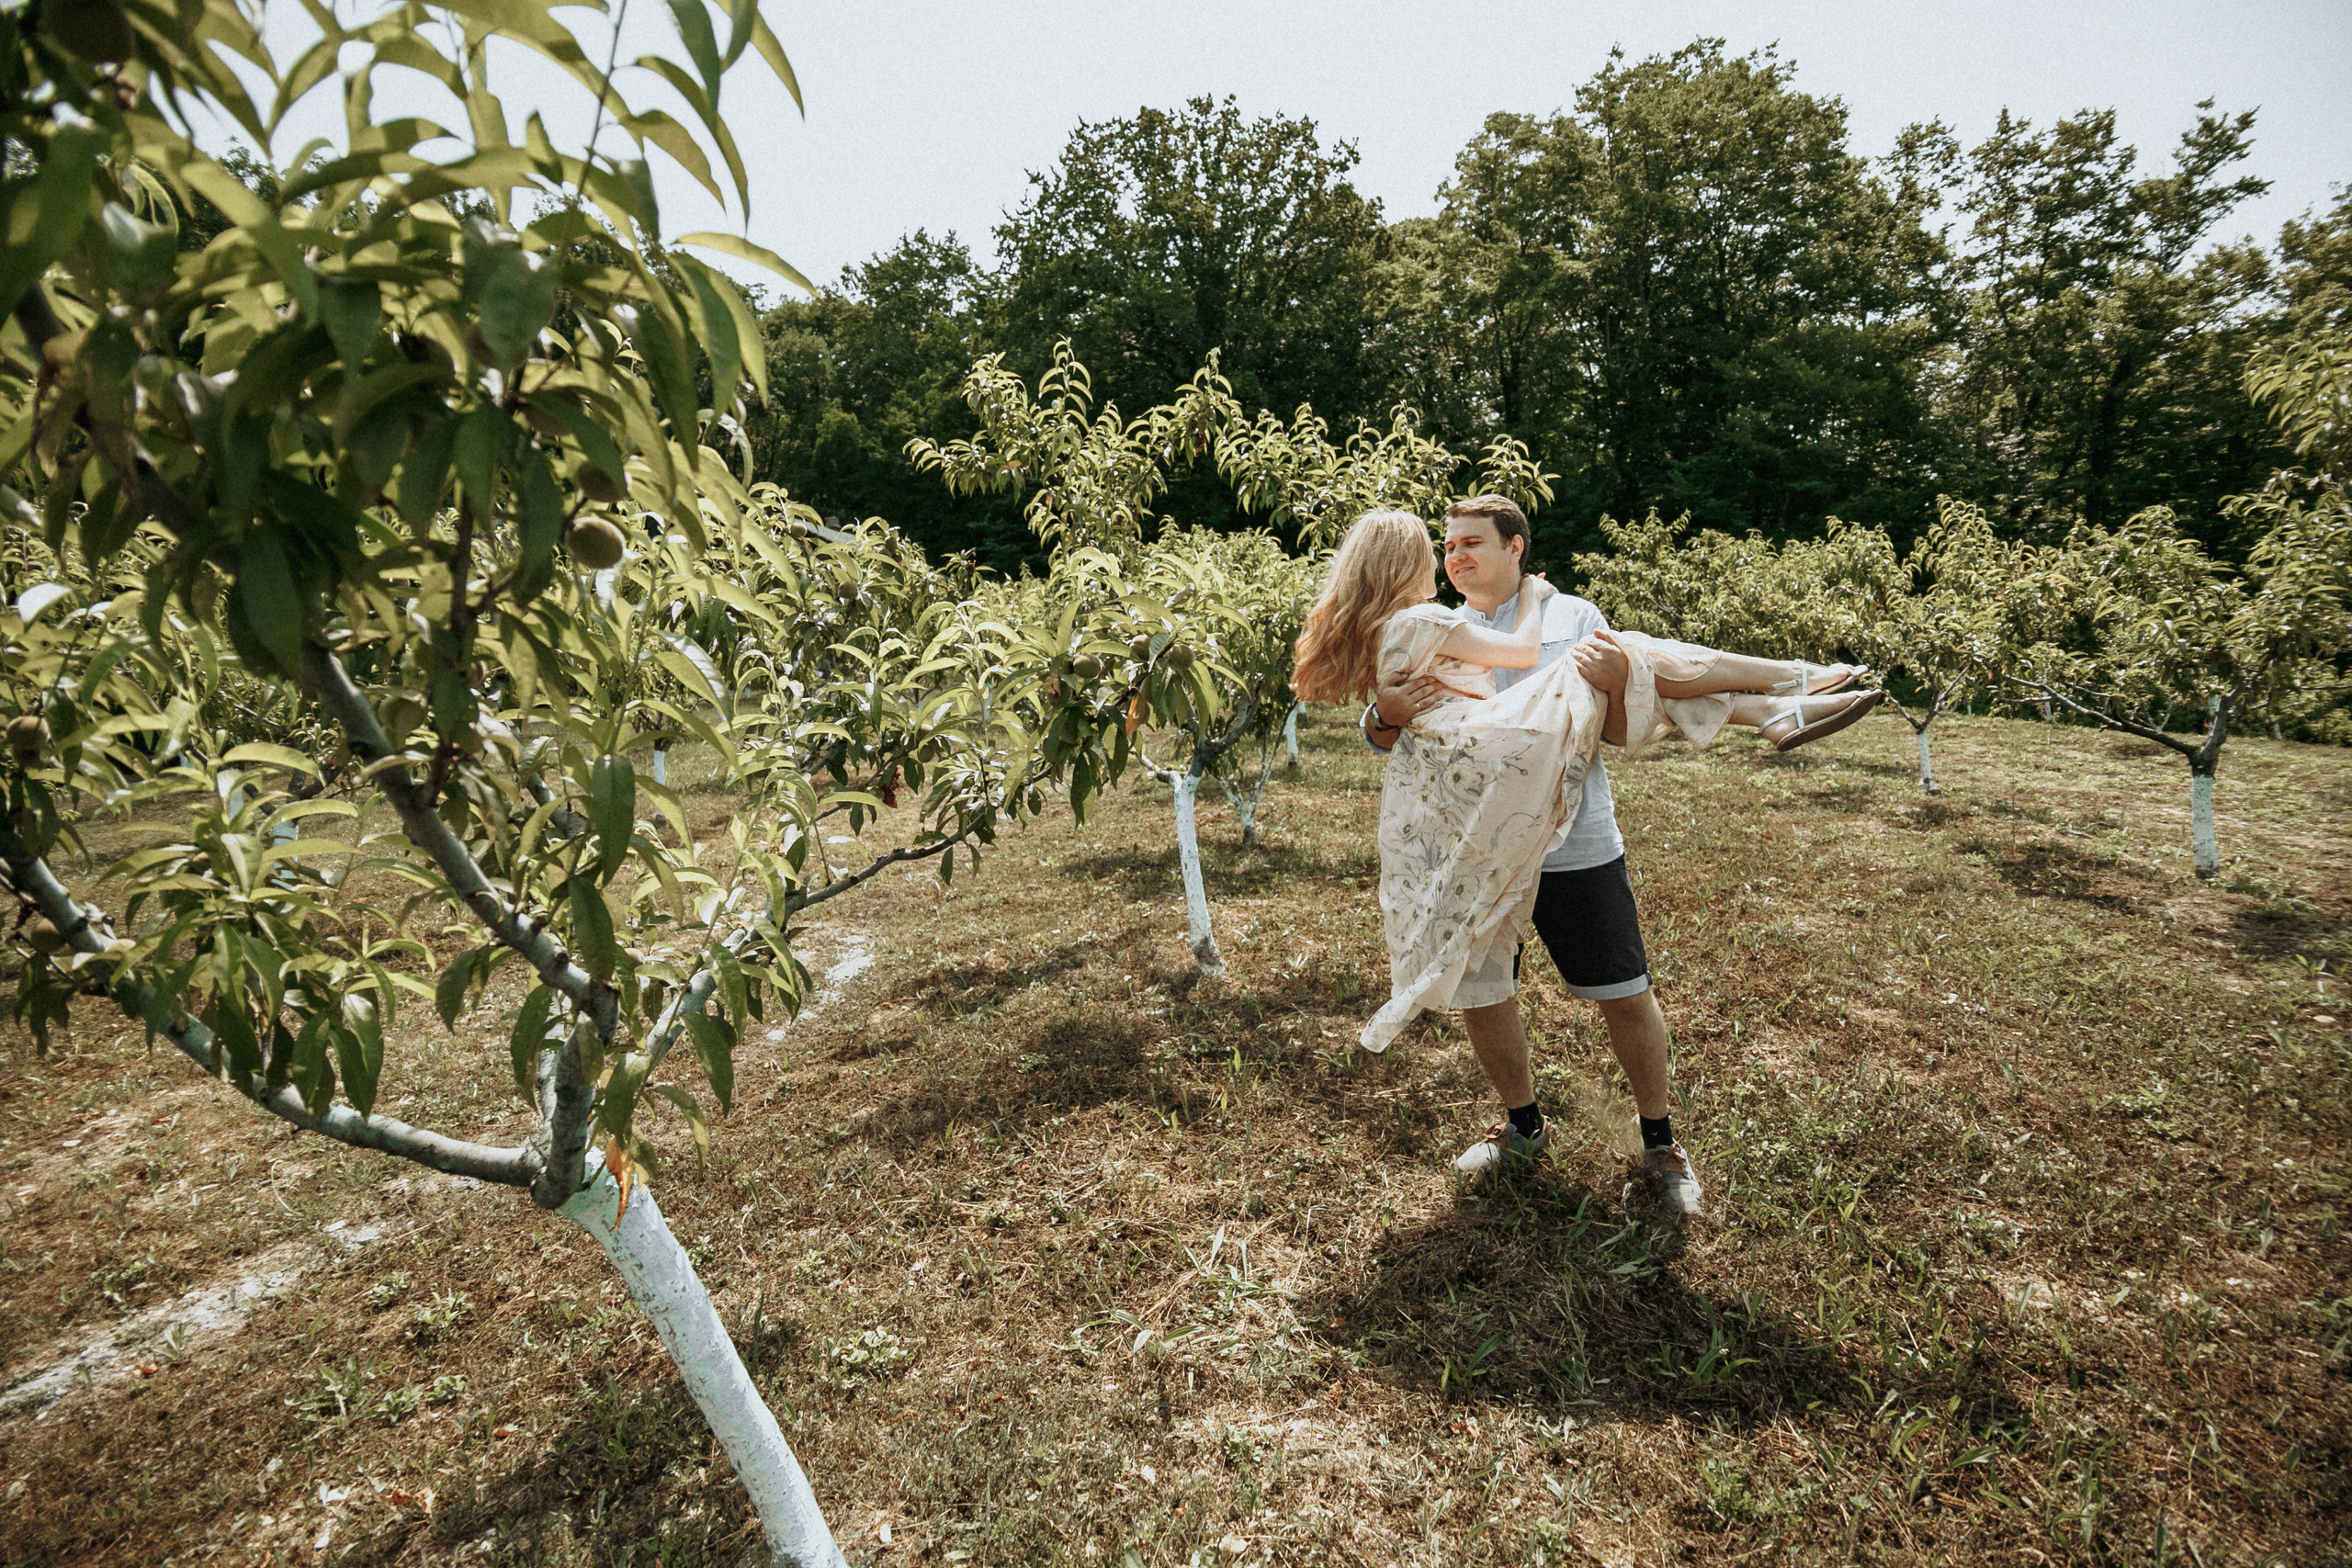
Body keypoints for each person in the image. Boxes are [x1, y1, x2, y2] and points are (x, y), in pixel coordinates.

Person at [1293, 497, 1882, 1213]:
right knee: (1486, 997)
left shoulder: (1570, 615)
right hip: (1478, 845)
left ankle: (1660, 1141)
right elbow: (1394, 732)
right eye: (1446, 547)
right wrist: (1381, 714)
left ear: (1517, 548)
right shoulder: (1444, 622)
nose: (1456, 558)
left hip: (1574, 842)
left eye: (1471, 543)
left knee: (1623, 991)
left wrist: (1607, 682)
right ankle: (1522, 1125)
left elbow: (1629, 725)